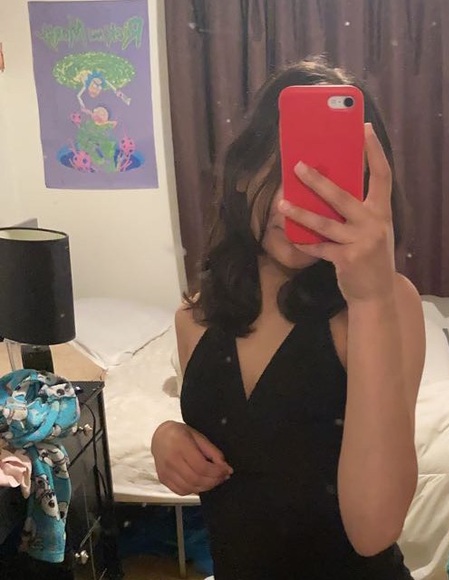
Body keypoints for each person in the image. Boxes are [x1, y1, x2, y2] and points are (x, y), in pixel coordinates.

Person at [151, 57, 426, 580]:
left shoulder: (388, 303)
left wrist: (369, 299)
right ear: (241, 175)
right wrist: (167, 435)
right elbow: (245, 444)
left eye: (325, 179)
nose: (291, 204)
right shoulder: (195, 316)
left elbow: (374, 528)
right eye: (278, 172)